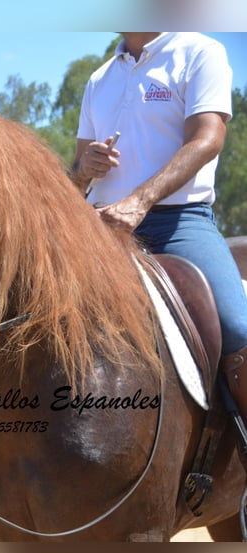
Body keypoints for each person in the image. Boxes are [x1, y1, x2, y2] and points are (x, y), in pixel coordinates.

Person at [69, 32, 247, 446]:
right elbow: (76, 173)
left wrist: (140, 200)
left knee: (238, 326)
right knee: (22, 308)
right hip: (101, 227)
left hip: (178, 223)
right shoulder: (100, 78)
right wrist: (83, 167)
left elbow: (207, 139)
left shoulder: (200, 52)